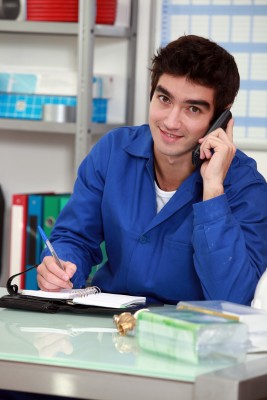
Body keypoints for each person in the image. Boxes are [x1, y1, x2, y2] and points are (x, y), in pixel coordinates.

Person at [36, 34, 267, 306]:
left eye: (193, 108)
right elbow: (75, 237)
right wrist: (61, 268)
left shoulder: (246, 187)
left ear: (221, 118)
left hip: (189, 337)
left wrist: (213, 190)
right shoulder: (113, 151)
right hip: (107, 325)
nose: (171, 121)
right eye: (164, 99)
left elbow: (234, 299)